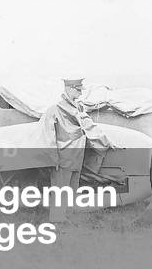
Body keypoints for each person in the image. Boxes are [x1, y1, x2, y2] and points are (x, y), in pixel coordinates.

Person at [40, 77, 112, 223]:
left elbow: (90, 128)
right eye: (78, 90)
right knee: (60, 190)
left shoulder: (78, 109)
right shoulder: (54, 110)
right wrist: (53, 158)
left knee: (72, 191)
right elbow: (48, 136)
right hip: (62, 158)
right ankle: (56, 221)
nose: (80, 93)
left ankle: (66, 218)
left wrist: (106, 142)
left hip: (77, 156)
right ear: (69, 88)